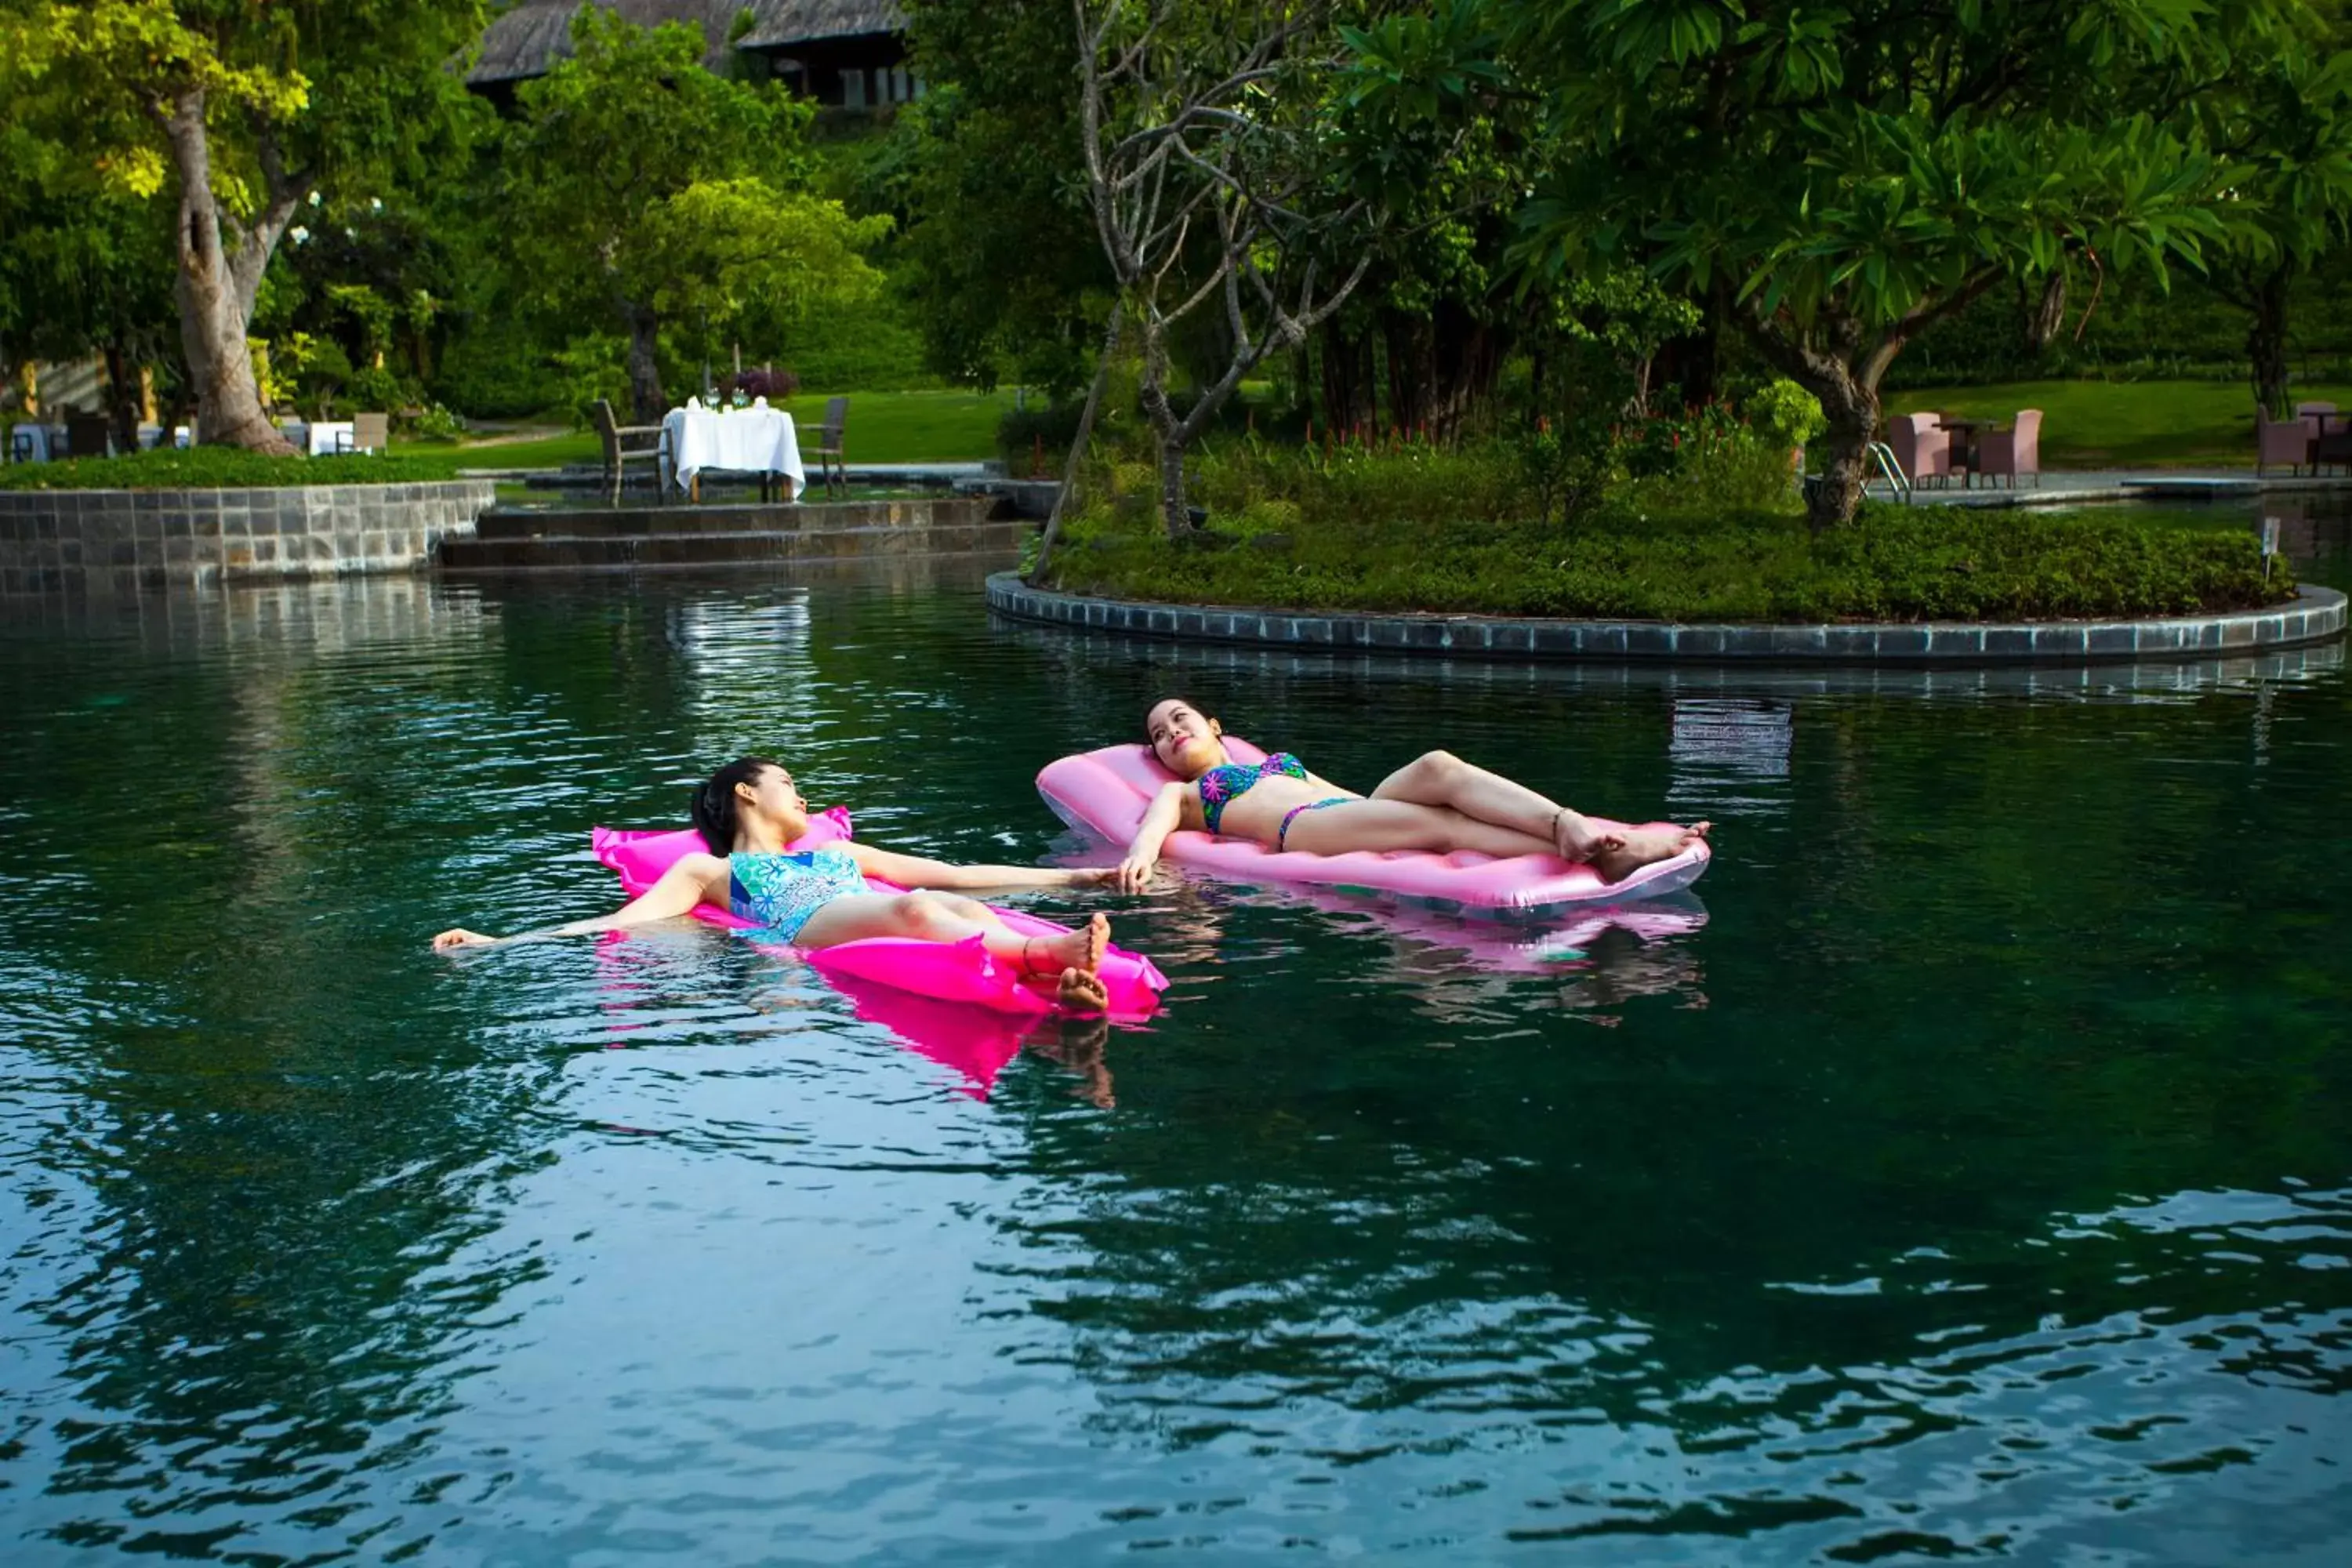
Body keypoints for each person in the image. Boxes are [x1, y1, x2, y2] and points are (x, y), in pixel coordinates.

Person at [434, 757, 1124, 1010]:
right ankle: (1042, 957)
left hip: (876, 906)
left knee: (935, 898)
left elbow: (961, 876)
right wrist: (501, 941)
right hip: (808, 927)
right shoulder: (712, 870)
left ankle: (1054, 980)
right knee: (917, 907)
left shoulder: (843, 852)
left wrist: (1078, 876)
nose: (803, 797)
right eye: (788, 784)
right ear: (746, 793)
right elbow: (629, 920)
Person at [1115, 696, 1709, 893]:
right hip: (1302, 827)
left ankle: (1566, 822)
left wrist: (1383, 810)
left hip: (1339, 807)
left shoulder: (1272, 759)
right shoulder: (1195, 791)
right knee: (1444, 827)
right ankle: (1605, 848)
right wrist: (1139, 858)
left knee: (1439, 767)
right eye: (1159, 737)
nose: (1171, 734)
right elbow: (1155, 820)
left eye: (1178, 718)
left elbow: (1335, 792)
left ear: (1214, 724)